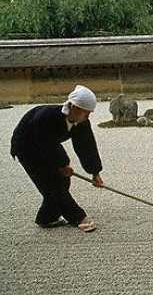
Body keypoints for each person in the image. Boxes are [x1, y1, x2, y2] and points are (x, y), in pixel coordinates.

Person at [10, 85, 104, 232]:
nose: (88, 117)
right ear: (74, 107)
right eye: (86, 113)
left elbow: (86, 146)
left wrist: (95, 172)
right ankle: (77, 217)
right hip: (26, 147)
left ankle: (46, 218)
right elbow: (47, 144)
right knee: (52, 183)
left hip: (46, 147)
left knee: (62, 181)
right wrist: (62, 165)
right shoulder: (46, 117)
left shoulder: (81, 121)